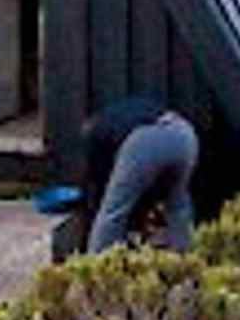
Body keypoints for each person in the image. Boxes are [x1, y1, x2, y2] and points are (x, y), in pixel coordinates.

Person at [82, 95, 199, 253]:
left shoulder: (96, 132)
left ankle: (95, 264)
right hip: (184, 134)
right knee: (177, 204)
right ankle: (186, 261)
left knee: (113, 212)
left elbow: (101, 180)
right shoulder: (121, 114)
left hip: (148, 138)